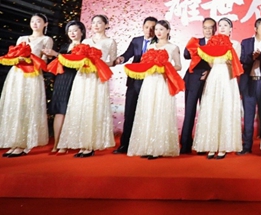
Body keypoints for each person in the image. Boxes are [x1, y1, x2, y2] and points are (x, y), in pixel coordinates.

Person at [57, 15, 117, 157]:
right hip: (83, 76)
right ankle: (81, 144)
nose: (96, 25)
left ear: (106, 25)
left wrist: (97, 62)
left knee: (93, 108)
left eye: (99, 22)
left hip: (97, 77)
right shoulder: (86, 41)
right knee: (81, 108)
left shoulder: (110, 42)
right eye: (93, 22)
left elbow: (113, 62)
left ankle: (90, 145)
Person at [126, 20, 183, 159]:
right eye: (156, 29)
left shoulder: (173, 47)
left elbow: (179, 66)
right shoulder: (151, 46)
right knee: (147, 111)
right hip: (149, 82)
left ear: (168, 31)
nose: (158, 32)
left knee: (160, 111)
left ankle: (158, 148)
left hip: (162, 82)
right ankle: (146, 146)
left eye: (161, 29)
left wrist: (164, 67)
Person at [0, 13, 52, 157]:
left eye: (38, 21)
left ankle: (24, 144)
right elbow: (14, 56)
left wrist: (31, 59)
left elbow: (44, 62)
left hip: (32, 75)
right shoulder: (22, 39)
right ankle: (14, 141)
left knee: (28, 106)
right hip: (17, 75)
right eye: (32, 21)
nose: (35, 24)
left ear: (45, 24)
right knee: (15, 105)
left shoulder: (46, 39)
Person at [192, 18, 243, 159]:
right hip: (214, 75)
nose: (222, 27)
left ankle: (223, 146)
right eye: (220, 25)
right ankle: (211, 145)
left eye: (226, 25)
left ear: (231, 29)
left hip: (228, 76)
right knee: (212, 108)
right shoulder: (212, 42)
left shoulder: (235, 44)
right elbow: (210, 61)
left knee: (225, 108)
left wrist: (225, 50)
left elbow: (235, 62)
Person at [112, 16, 158, 154]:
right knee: (129, 112)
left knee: (147, 113)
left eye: (152, 28)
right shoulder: (136, 41)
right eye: (147, 27)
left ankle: (145, 144)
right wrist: (121, 58)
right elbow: (127, 54)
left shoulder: (160, 42)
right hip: (134, 81)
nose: (149, 30)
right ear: (142, 27)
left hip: (150, 80)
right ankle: (125, 145)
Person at [43, 20, 86, 154]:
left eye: (75, 30)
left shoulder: (85, 46)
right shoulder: (64, 46)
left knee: (70, 111)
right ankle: (56, 143)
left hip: (76, 79)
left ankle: (66, 143)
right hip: (61, 79)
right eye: (69, 31)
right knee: (59, 111)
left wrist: (56, 54)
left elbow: (76, 62)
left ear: (82, 32)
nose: (72, 33)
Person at [180, 17, 215, 154]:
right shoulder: (196, 42)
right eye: (205, 28)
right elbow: (186, 55)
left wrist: (209, 72)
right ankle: (185, 145)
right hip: (193, 80)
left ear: (215, 29)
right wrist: (193, 48)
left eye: (210, 28)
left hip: (210, 81)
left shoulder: (219, 43)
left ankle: (203, 145)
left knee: (207, 113)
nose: (208, 30)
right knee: (189, 112)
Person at [238, 18, 261, 155]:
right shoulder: (246, 42)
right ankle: (247, 146)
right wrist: (252, 57)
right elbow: (242, 60)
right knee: (248, 115)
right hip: (249, 82)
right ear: (255, 29)